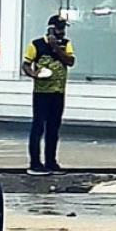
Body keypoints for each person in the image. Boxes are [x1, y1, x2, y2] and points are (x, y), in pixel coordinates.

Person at [22, 14, 75, 175]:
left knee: (54, 127)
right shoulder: (36, 44)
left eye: (63, 29)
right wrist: (34, 74)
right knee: (38, 126)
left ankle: (51, 161)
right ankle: (35, 163)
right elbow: (26, 64)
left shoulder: (66, 44)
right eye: (59, 28)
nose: (61, 32)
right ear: (51, 28)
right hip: (42, 92)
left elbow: (70, 61)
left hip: (58, 91)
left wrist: (57, 48)